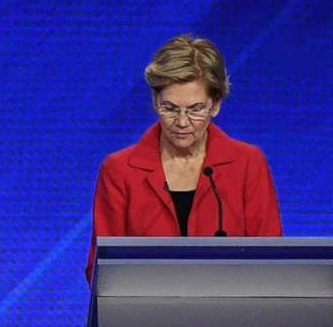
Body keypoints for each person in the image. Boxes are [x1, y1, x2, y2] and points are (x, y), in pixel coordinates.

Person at [89, 34, 281, 274]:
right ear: (154, 101)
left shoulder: (247, 164)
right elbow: (102, 270)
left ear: (216, 104)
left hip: (231, 309)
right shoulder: (120, 170)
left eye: (195, 109)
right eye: (169, 108)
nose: (181, 122)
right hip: (146, 309)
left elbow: (270, 261)